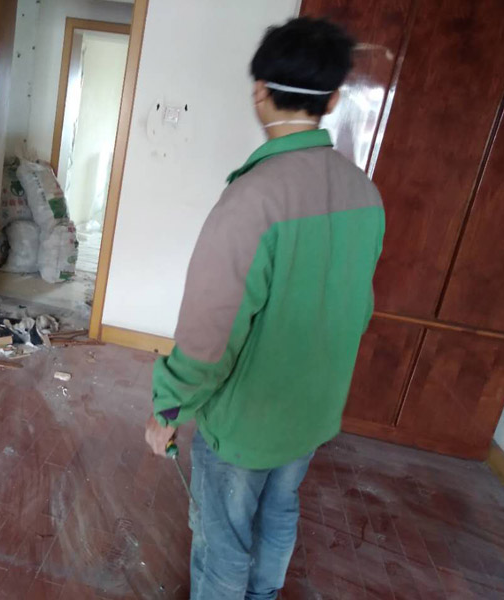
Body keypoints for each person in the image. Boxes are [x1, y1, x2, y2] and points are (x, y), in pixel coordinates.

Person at [144, 17, 384, 600]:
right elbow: (357, 308)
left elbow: (209, 334)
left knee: (223, 538)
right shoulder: (365, 194)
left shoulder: (253, 198)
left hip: (247, 423)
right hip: (312, 411)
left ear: (259, 90)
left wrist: (169, 409)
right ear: (331, 100)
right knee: (279, 511)